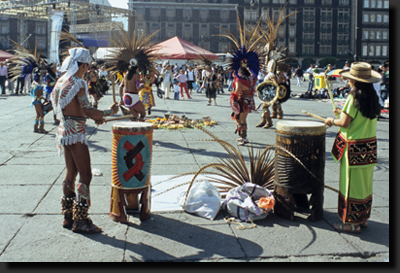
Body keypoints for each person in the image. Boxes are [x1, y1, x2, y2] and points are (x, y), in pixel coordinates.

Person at [51, 48, 118, 234]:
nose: (88, 69)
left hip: (64, 130)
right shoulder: (78, 82)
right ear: (83, 65)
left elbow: (70, 109)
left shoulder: (61, 81)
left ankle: (68, 216)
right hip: (76, 133)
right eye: (87, 65)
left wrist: (94, 116)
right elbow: (87, 110)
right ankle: (81, 220)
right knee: (86, 175)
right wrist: (108, 112)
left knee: (70, 173)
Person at [323, 62, 381, 234]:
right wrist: (341, 113)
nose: (348, 82)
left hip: (354, 148)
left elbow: (345, 123)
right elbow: (356, 118)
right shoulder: (372, 97)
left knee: (350, 184)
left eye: (349, 79)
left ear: (354, 81)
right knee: (364, 184)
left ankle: (351, 223)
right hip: (368, 147)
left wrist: (331, 121)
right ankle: (362, 219)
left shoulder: (353, 98)